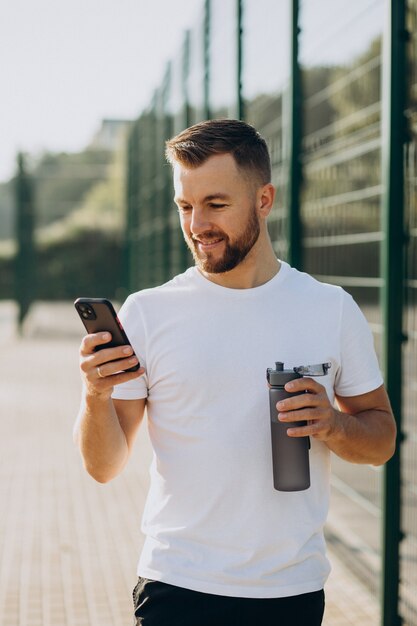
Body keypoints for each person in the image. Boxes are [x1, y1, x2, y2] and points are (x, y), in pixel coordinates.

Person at [74, 119, 396, 626]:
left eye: (216, 204)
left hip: (292, 589)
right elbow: (104, 466)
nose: (197, 223)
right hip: (177, 585)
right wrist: (94, 394)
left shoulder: (330, 309)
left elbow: (381, 441)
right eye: (185, 205)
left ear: (264, 200)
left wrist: (333, 423)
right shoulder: (148, 312)